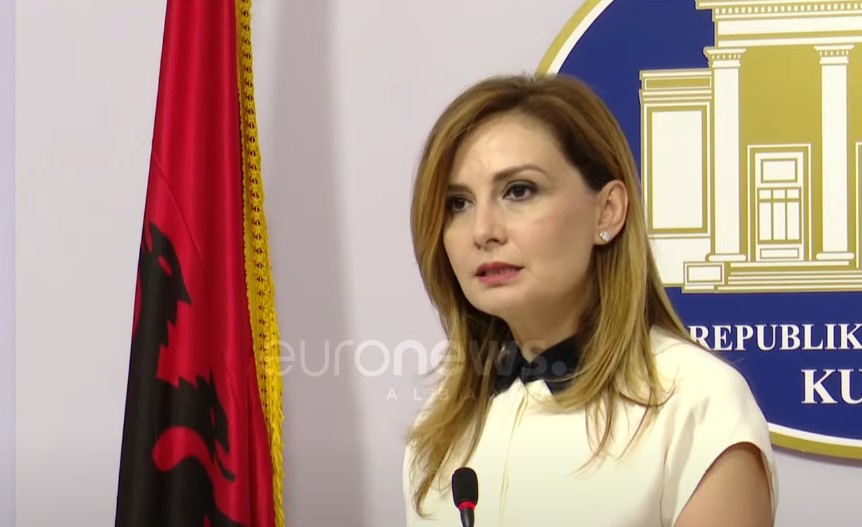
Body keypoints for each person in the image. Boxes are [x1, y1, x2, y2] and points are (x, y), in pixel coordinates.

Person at [402, 73, 777, 527]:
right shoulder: (441, 425)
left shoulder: (698, 403)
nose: (483, 231)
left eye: (519, 191)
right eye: (458, 203)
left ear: (608, 211)